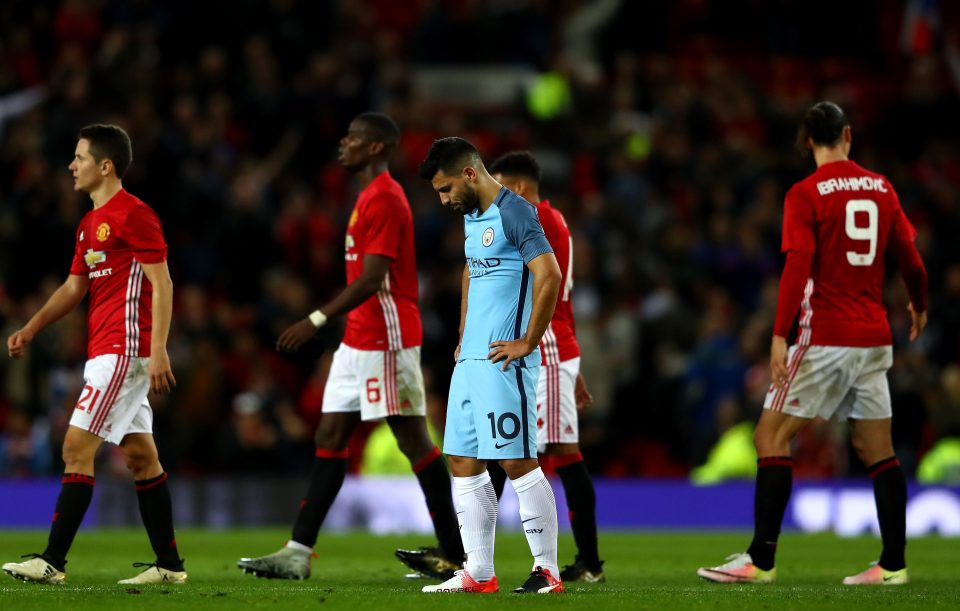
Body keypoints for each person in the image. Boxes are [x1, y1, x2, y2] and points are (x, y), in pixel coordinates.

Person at [698, 101, 928, 585]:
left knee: (770, 437)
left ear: (808, 142)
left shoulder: (806, 194)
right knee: (877, 449)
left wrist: (779, 334)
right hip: (874, 339)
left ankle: (760, 560)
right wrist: (919, 303)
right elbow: (909, 254)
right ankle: (893, 564)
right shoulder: (881, 187)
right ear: (847, 135)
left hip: (827, 336)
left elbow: (797, 266)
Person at [237, 113, 464, 581]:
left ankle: (458, 554)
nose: (344, 145)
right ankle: (297, 552)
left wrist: (316, 319)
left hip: (387, 337)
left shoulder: (386, 198)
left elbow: (374, 278)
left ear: (378, 147)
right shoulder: (364, 198)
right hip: (359, 337)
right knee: (329, 436)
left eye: (354, 139)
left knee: (414, 440)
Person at [3, 124, 186, 585]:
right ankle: (170, 567)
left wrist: (158, 348)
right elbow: (74, 287)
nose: (71, 165)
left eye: (79, 158)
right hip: (106, 350)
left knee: (75, 446)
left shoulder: (134, 214)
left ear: (105, 166)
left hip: (125, 350)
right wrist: (31, 326)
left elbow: (161, 282)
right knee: (143, 458)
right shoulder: (89, 224)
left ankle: (52, 562)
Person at [418, 137, 564, 594]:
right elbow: (471, 270)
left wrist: (528, 341)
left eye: (445, 189)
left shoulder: (514, 210)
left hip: (505, 362)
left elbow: (549, 274)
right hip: (471, 361)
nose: (443, 200)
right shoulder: (472, 216)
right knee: (461, 458)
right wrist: (464, 334)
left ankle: (547, 570)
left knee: (516, 461)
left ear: (468, 173)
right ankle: (478, 573)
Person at [484, 150, 605, 583]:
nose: (493, 196)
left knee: (537, 452)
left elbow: (548, 293)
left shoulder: (539, 218)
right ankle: (472, 554)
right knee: (521, 450)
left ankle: (584, 563)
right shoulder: (552, 219)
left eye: (498, 187)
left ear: (515, 188)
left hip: (545, 344)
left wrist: (559, 357)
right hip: (555, 346)